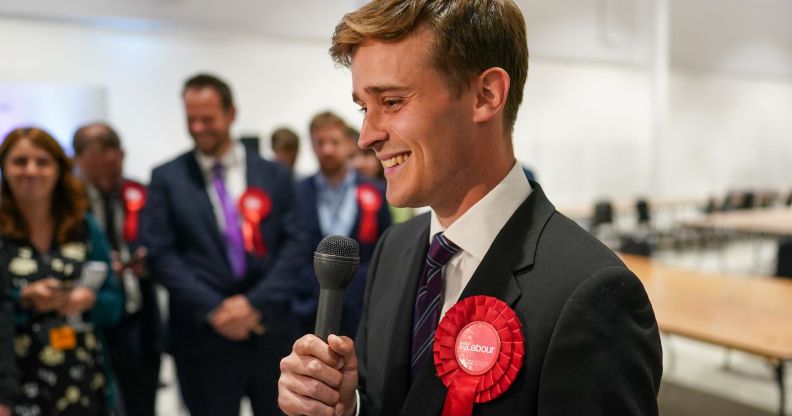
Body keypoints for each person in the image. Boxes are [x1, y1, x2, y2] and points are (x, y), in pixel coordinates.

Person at [278, 1, 663, 415]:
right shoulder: (396, 247)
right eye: (363, 108)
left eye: (390, 102)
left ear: (486, 95)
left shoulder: (592, 293)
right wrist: (347, 407)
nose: (366, 136)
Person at [146, 73, 309, 416]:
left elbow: (295, 244)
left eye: (208, 119)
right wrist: (218, 310)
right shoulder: (167, 178)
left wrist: (253, 305)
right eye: (191, 119)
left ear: (231, 114)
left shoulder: (274, 175)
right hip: (202, 337)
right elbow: (162, 255)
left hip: (269, 331)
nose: (199, 127)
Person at [0, 127, 123, 415]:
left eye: (42, 162)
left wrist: (88, 301)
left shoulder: (82, 226)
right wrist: (25, 299)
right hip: (16, 380)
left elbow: (114, 301)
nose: (31, 171)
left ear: (58, 169)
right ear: (4, 168)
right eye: (20, 161)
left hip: (82, 375)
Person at [72, 122, 162, 416]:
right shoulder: (68, 204)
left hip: (140, 321)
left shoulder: (140, 193)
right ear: (80, 160)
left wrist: (147, 263)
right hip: (91, 322)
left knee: (142, 404)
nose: (110, 179)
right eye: (100, 170)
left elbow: (163, 245)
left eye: (116, 167)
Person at [292, 111, 391, 337]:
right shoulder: (298, 192)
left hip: (362, 306)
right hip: (310, 306)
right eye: (320, 143)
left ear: (348, 144)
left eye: (334, 142)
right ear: (311, 146)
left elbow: (384, 248)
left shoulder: (375, 190)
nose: (327, 149)